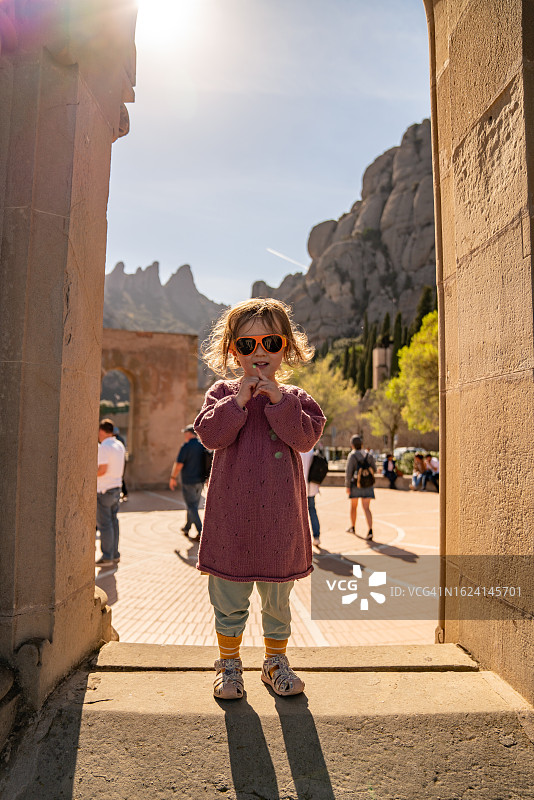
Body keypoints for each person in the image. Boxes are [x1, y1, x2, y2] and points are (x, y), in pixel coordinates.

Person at [194, 298, 325, 700]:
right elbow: (210, 435)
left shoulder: (296, 397)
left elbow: (305, 438)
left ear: (285, 347)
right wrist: (238, 403)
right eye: (247, 345)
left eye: (269, 342)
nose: (259, 352)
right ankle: (229, 665)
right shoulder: (221, 392)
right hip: (231, 519)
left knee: (277, 602)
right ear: (233, 351)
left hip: (280, 520)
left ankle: (274, 663)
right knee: (229, 600)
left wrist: (277, 402)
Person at [96, 418, 126, 567]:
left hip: (104, 490)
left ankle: (107, 557)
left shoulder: (104, 447)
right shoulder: (119, 444)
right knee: (114, 522)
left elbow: (102, 470)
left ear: (102, 431)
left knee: (105, 525)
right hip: (116, 488)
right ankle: (115, 554)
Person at [169, 424, 206, 541]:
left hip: (189, 480)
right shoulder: (202, 445)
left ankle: (201, 532)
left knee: (191, 506)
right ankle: (187, 527)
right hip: (200, 481)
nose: (184, 435)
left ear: (190, 434)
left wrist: (173, 477)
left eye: (186, 433)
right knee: (193, 505)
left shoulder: (186, 446)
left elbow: (179, 463)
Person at [345, 435, 376, 541]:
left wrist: (347, 486)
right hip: (368, 485)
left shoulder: (352, 456)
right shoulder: (369, 455)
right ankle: (370, 530)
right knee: (367, 508)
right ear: (362, 444)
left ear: (352, 445)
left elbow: (348, 472)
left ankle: (353, 527)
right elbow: (374, 469)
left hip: (356, 485)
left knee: (354, 507)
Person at [300, 448, 321, 549]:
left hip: (299, 487)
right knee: (312, 510)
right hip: (312, 487)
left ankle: (302, 541)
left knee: (299, 515)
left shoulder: (298, 450)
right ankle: (316, 537)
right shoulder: (313, 451)